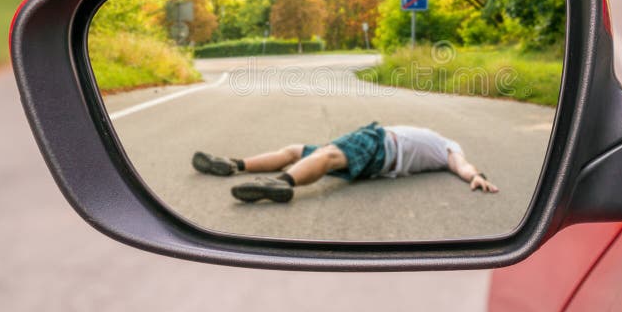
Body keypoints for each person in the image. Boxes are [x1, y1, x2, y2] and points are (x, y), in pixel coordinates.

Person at [192, 121, 499, 203]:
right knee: (297, 150)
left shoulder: (450, 147)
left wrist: (476, 175)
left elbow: (462, 165)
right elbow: (460, 166)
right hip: (380, 160)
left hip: (380, 142)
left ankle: (281, 184)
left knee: (326, 156)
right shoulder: (445, 148)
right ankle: (235, 165)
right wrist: (473, 175)